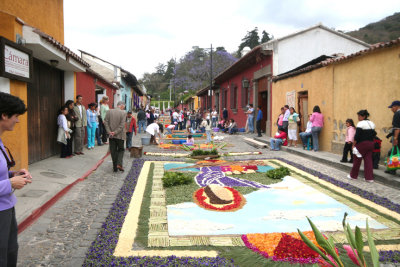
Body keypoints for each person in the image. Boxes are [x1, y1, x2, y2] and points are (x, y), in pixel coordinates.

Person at [0, 92, 32, 266]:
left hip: (7, 206)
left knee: (11, 250)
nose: (18, 120)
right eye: (16, 116)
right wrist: (9, 184)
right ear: (4, 115)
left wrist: (14, 174)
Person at [348, 110, 376, 182]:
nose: (358, 117)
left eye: (359, 116)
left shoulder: (360, 124)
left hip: (362, 144)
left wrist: (353, 145)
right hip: (371, 144)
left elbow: (357, 136)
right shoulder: (372, 123)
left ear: (364, 116)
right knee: (368, 161)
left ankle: (353, 176)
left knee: (357, 160)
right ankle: (369, 178)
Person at [104, 101, 127, 172]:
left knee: (113, 151)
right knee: (121, 149)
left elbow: (105, 122)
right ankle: (119, 164)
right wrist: (115, 132)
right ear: (122, 106)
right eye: (124, 106)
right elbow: (122, 125)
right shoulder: (123, 113)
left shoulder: (109, 111)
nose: (124, 108)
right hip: (120, 135)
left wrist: (109, 132)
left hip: (111, 136)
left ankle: (115, 167)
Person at [385, 100, 400, 175]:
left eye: (392, 107)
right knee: (392, 152)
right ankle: (390, 168)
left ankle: (392, 169)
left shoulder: (397, 114)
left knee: (393, 152)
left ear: (397, 106)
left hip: (398, 137)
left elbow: (397, 128)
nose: (391, 109)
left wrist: (395, 138)